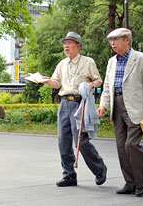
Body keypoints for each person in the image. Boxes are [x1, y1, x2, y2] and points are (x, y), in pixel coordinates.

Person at [42, 32, 107, 187]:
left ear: (78, 46)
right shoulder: (61, 64)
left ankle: (100, 169)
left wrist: (90, 85)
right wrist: (45, 81)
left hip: (80, 103)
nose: (66, 46)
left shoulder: (88, 62)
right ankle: (69, 175)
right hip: (64, 103)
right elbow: (57, 83)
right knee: (63, 141)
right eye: (64, 43)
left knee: (81, 141)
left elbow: (98, 80)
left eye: (70, 43)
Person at [97, 28, 143, 197]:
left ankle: (142, 183)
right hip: (116, 105)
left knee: (131, 144)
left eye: (115, 40)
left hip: (136, 107)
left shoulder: (142, 59)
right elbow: (107, 87)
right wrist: (104, 105)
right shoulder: (112, 62)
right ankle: (130, 183)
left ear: (127, 40)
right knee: (121, 147)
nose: (112, 43)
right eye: (110, 40)